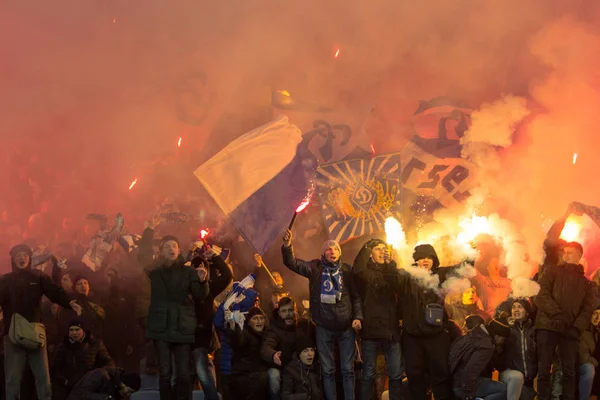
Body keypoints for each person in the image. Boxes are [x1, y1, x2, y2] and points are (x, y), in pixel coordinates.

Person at [282, 229, 363, 400]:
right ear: (323, 253)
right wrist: (288, 246)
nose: (332, 251)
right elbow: (292, 263)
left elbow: (356, 297)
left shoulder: (346, 271)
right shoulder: (315, 268)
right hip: (324, 328)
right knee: (327, 371)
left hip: (345, 327)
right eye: (328, 249)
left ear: (339, 253)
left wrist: (357, 317)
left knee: (348, 370)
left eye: (335, 249)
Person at [137, 214, 209, 400]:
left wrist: (203, 281)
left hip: (183, 327)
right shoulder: (155, 270)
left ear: (179, 250)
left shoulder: (188, 271)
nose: (171, 249)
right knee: (166, 373)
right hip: (161, 328)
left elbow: (201, 295)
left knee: (184, 373)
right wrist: (149, 231)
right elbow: (143, 255)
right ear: (160, 251)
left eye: (174, 246)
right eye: (167, 246)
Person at [0, 243, 82, 400]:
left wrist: (69, 302)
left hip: (35, 333)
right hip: (12, 335)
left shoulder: (38, 276)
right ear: (13, 259)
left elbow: (54, 292)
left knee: (43, 377)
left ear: (30, 258)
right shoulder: (5, 280)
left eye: (25, 254)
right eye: (18, 255)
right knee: (13, 380)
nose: (22, 257)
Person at [395, 244, 459, 400]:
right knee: (414, 377)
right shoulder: (406, 276)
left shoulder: (441, 274)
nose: (425, 260)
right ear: (415, 260)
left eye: (429, 257)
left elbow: (461, 270)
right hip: (413, 336)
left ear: (434, 260)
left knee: (441, 375)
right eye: (421, 257)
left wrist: (470, 254)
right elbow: (390, 277)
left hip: (436, 336)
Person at [535, 241, 595, 400]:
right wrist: (557, 314)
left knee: (569, 371)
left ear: (579, 255)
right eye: (564, 252)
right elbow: (540, 295)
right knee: (544, 369)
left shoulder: (586, 284)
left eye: (570, 252)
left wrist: (576, 328)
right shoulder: (551, 272)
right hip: (548, 326)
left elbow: (587, 309)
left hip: (569, 330)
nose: (565, 255)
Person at [353, 238, 402, 400]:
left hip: (391, 331)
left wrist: (390, 263)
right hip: (371, 331)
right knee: (368, 374)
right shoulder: (365, 273)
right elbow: (357, 268)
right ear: (370, 254)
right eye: (378, 249)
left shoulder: (391, 271)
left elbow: (396, 282)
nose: (383, 252)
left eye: (384, 249)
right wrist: (367, 246)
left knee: (395, 375)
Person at [191, 249, 233, 400]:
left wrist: (215, 258)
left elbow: (227, 276)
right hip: (182, 339)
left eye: (203, 266)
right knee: (183, 380)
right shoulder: (183, 289)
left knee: (205, 375)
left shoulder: (209, 289)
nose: (200, 269)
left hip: (203, 339)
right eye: (196, 267)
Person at [51, 317, 115, 400]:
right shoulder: (63, 347)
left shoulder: (95, 344)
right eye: (71, 330)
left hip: (91, 387)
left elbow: (108, 362)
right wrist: (65, 382)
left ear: (83, 330)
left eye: (77, 329)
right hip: (70, 388)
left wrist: (100, 378)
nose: (74, 333)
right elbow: (55, 369)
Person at [449, 315, 508, 400]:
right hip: (463, 386)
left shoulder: (473, 335)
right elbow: (470, 371)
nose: (503, 342)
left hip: (454, 382)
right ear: (498, 335)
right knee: (504, 389)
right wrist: (468, 396)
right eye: (503, 339)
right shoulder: (486, 345)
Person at [261, 297, 307, 400]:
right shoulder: (273, 329)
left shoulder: (302, 326)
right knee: (274, 376)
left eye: (290, 310)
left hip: (298, 366)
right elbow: (266, 347)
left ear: (295, 311)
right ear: (279, 313)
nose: (288, 314)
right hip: (279, 367)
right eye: (284, 311)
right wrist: (273, 355)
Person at [227, 307, 269, 400]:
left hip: (257, 375)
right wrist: (233, 326)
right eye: (255, 318)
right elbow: (238, 341)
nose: (259, 321)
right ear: (249, 322)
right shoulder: (246, 333)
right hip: (243, 376)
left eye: (261, 318)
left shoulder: (267, 334)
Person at [499, 299, 538, 400]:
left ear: (527, 312)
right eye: (513, 307)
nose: (516, 310)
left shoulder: (534, 330)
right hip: (510, 374)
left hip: (529, 380)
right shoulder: (506, 328)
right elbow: (498, 348)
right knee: (517, 376)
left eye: (520, 307)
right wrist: (505, 329)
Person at [57, 275, 105, 340]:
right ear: (74, 288)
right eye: (79, 284)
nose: (83, 286)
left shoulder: (92, 305)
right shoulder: (71, 303)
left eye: (85, 283)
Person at [281, 330, 322, 400]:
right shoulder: (290, 371)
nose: (310, 354)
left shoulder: (316, 369)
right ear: (299, 354)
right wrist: (306, 397)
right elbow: (285, 397)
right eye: (305, 351)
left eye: (312, 350)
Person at [66, 367, 141, 400]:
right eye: (129, 391)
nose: (128, 394)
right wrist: (105, 398)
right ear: (124, 384)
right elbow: (82, 394)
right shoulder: (100, 375)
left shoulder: (116, 390)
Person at [578, 306, 600, 400]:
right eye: (595, 314)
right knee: (589, 369)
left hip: (593, 363)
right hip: (580, 365)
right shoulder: (583, 330)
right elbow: (583, 357)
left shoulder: (597, 331)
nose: (597, 318)